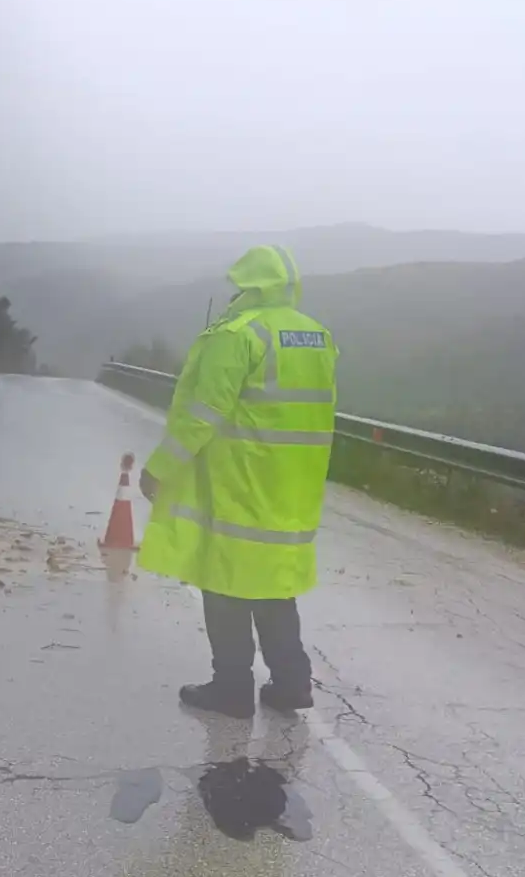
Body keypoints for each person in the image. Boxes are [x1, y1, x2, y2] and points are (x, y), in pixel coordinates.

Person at [138, 245, 338, 719]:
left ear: (247, 285)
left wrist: (160, 469)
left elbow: (201, 415)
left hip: (240, 480)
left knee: (225, 586)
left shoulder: (238, 335)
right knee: (271, 585)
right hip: (294, 485)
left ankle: (231, 688)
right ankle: (292, 683)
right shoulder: (317, 335)